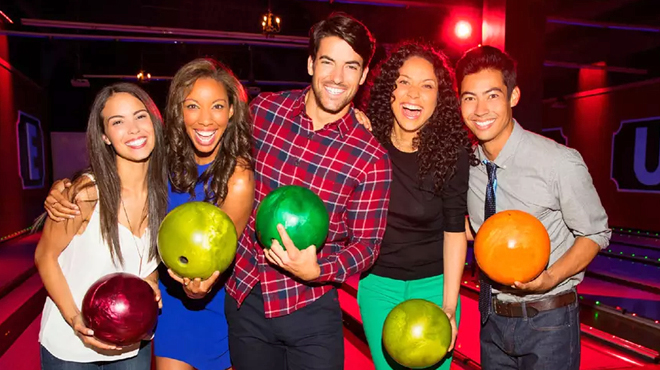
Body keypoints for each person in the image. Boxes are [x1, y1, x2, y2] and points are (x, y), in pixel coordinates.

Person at [43, 58, 255, 370]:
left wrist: (198, 287)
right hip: (161, 303)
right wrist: (62, 188)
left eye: (218, 107)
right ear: (179, 112)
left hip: (206, 303)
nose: (206, 120)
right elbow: (115, 173)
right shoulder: (161, 156)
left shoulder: (237, 176)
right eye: (193, 106)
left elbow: (217, 256)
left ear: (231, 111)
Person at [223, 12, 392, 370]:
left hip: (310, 306)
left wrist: (318, 269)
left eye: (351, 67)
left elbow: (367, 246)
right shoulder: (265, 112)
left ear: (362, 76)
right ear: (311, 63)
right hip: (246, 298)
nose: (337, 77)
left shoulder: (371, 157)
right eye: (328, 62)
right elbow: (221, 178)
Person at [455, 45, 611, 370]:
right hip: (491, 320)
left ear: (513, 97)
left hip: (549, 320)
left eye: (492, 95)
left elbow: (595, 233)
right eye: (470, 97)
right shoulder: (467, 163)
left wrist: (550, 277)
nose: (480, 109)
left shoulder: (558, 162)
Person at [355, 41, 476, 370]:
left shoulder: (452, 153)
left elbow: (454, 232)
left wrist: (449, 307)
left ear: (440, 97)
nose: (413, 95)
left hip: (434, 285)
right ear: (388, 90)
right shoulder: (366, 142)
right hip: (378, 286)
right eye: (403, 82)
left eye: (427, 86)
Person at [35, 82, 167, 369]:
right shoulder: (87, 192)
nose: (133, 129)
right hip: (70, 347)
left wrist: (151, 281)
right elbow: (44, 256)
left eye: (140, 116)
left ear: (155, 122)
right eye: (117, 122)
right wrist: (74, 319)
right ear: (105, 136)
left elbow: (148, 260)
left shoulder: (164, 196)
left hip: (132, 344)